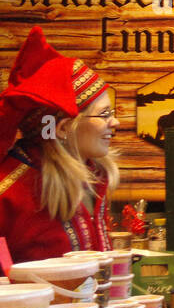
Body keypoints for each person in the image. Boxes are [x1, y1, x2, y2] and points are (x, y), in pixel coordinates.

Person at [0, 27, 120, 263]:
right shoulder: (10, 194)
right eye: (104, 114)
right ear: (64, 128)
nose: (114, 122)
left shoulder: (94, 175)